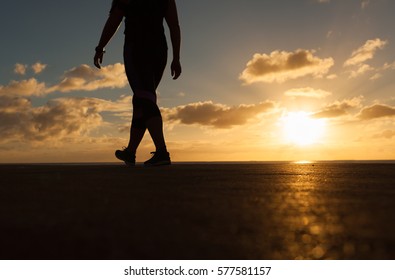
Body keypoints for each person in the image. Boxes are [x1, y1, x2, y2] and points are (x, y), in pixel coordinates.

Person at [94, 0, 181, 166]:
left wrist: (100, 47)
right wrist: (176, 58)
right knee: (143, 99)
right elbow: (174, 25)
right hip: (159, 50)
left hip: (137, 48)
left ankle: (162, 151)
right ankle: (130, 152)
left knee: (144, 97)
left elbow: (115, 19)